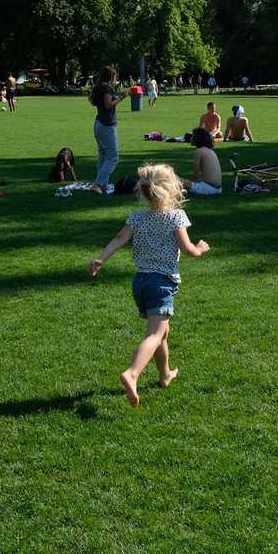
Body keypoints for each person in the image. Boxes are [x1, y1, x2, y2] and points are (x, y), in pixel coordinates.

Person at [88, 163, 211, 407]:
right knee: (155, 333)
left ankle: (165, 374)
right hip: (161, 283)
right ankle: (132, 373)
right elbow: (187, 250)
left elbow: (119, 238)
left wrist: (100, 258)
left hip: (141, 282)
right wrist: (200, 248)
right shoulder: (176, 216)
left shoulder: (137, 217)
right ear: (172, 189)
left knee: (162, 333)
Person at [88, 67, 123, 193]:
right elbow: (109, 104)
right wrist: (121, 97)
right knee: (113, 157)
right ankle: (97, 185)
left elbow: (94, 102)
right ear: (111, 76)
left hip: (99, 123)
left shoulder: (98, 87)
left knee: (103, 156)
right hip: (106, 125)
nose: (116, 79)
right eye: (115, 76)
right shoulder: (107, 88)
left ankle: (103, 185)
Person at [185, 127, 222, 196]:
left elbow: (196, 174)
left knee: (176, 179)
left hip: (208, 189)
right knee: (186, 183)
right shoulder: (210, 151)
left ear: (198, 138)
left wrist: (189, 184)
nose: (191, 138)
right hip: (218, 189)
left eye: (193, 136)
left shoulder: (199, 151)